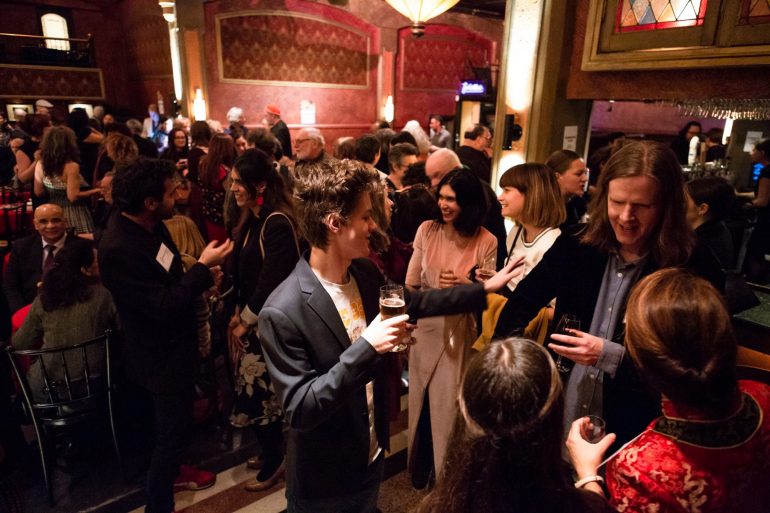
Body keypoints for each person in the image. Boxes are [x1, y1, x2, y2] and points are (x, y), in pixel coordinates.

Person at [258, 159, 522, 513]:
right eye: (366, 217)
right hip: (325, 478)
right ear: (335, 223)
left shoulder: (364, 272)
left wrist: (484, 289)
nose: (374, 225)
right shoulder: (283, 310)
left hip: (371, 450)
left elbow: (418, 301)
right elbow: (301, 408)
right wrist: (369, 345)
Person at [494, 140, 724, 449]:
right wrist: (505, 369)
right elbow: (522, 302)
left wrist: (611, 356)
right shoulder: (577, 244)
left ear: (668, 206)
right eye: (617, 202)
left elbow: (694, 367)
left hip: (640, 429)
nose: (626, 217)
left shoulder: (693, 265)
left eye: (641, 206)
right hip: (565, 411)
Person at [567, 268, 770, 513]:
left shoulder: (640, 468)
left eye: (626, 326)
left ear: (642, 360)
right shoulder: (762, 395)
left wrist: (587, 475)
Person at [99, 157, 233, 513]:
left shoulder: (151, 226)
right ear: (150, 202)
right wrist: (202, 269)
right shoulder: (118, 248)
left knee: (174, 434)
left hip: (176, 348)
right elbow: (161, 305)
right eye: (172, 192)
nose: (180, 196)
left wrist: (201, 281)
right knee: (170, 440)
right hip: (159, 357)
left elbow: (171, 277)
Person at [418, 338, 614, 513]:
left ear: (465, 412)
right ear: (554, 419)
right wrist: (589, 477)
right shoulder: (587, 507)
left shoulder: (434, 506)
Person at [406, 168, 498, 487]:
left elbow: (491, 293)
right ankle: (419, 467)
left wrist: (464, 285)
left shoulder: (486, 240)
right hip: (426, 328)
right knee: (420, 399)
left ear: (469, 203)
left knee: (448, 404)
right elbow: (411, 284)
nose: (444, 204)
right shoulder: (427, 230)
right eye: (442, 197)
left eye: (453, 200)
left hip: (460, 330)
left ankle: (445, 473)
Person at [226, 149, 300, 491]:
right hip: (254, 321)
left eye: (239, 183)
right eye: (232, 182)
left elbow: (273, 279)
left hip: (269, 325)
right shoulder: (254, 220)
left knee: (260, 398)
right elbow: (247, 274)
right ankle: (274, 451)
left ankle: (275, 461)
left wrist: (245, 320)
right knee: (256, 395)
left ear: (259, 184)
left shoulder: (277, 222)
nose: (233, 189)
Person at [12, 238, 117, 402]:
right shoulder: (105, 295)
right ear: (85, 270)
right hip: (98, 384)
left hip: (49, 390)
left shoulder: (44, 298)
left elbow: (20, 343)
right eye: (97, 261)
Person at [497, 163, 566, 291]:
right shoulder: (516, 231)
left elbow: (554, 305)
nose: (500, 197)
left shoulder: (553, 243)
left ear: (531, 194)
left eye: (506, 190)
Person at [3, 204, 74, 314]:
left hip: (69, 311)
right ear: (35, 224)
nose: (50, 226)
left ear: (65, 221)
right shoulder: (21, 247)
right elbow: (11, 286)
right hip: (29, 309)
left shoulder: (80, 247)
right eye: (43, 221)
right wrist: (21, 313)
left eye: (56, 220)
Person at [34, 126, 99, 234]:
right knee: (78, 245)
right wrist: (95, 191)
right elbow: (72, 197)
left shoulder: (41, 164)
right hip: (74, 213)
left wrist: (53, 188)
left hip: (52, 210)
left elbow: (38, 192)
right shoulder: (71, 166)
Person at [685, 176, 735, 270]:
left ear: (702, 209)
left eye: (683, 200)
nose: (677, 204)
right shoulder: (719, 228)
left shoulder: (698, 246)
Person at [197, 133, 235, 242]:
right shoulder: (223, 170)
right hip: (222, 217)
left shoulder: (203, 162)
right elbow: (231, 193)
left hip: (209, 213)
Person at [746, 138, 770, 282]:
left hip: (766, 220)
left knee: (755, 251)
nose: (751, 153)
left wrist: (748, 204)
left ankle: (754, 284)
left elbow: (762, 201)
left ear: (762, 153)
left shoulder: (767, 172)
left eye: (754, 150)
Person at [546, 149, 588, 231]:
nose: (585, 179)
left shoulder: (576, 206)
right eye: (578, 174)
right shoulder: (542, 210)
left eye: (585, 174)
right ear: (557, 176)